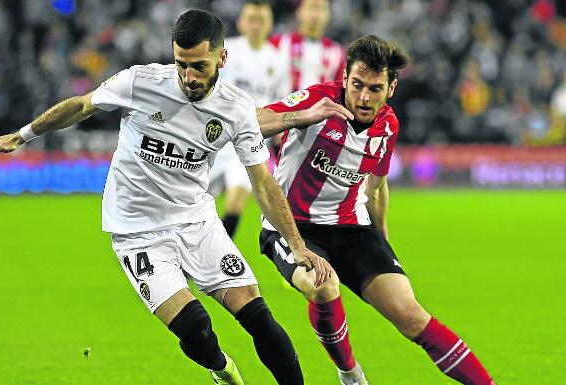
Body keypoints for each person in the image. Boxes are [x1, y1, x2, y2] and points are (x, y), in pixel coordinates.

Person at [0, 10, 333, 385]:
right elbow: (82, 105)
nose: (189, 77)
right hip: (137, 230)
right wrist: (22, 135)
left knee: (258, 316)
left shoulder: (236, 108)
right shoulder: (140, 82)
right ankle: (221, 368)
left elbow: (263, 183)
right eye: (181, 64)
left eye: (199, 66)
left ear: (221, 59)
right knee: (196, 330)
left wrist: (296, 245)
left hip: (197, 222)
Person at [256, 35, 497, 385]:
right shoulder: (317, 99)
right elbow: (252, 122)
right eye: (357, 85)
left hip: (353, 228)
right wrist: (302, 117)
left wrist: (382, 240)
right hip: (293, 225)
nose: (364, 97)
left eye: (374, 88)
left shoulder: (388, 126)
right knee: (324, 287)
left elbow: (377, 187)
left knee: (413, 317)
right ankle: (350, 372)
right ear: (344, 79)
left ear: (391, 87)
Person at [210, 0, 290, 237]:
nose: (256, 25)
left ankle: (214, 255)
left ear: (270, 24)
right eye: (251, 19)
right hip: (215, 138)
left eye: (261, 20)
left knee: (235, 202)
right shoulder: (225, 51)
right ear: (241, 23)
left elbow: (281, 104)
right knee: (191, 201)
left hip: (249, 142)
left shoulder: (278, 60)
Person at [269, 0, 345, 92]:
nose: (316, 14)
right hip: (281, 103)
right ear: (298, 12)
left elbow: (340, 91)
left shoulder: (338, 52)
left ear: (329, 15)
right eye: (311, 7)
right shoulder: (278, 43)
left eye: (322, 8)